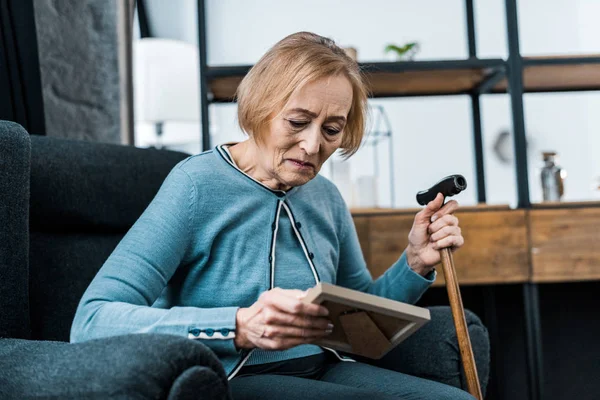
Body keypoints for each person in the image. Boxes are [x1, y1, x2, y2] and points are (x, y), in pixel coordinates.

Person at [71, 32, 485, 399]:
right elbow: (92, 319)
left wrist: (413, 263)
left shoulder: (325, 196)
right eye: (298, 121)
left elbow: (361, 320)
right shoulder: (195, 185)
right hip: (232, 375)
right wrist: (238, 325)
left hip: (326, 366)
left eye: (331, 129)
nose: (311, 145)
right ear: (260, 107)